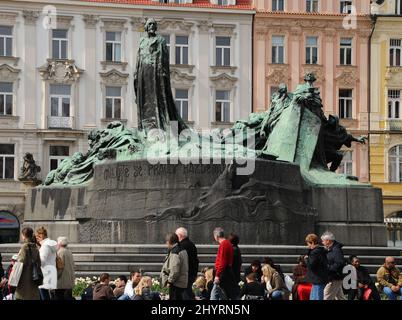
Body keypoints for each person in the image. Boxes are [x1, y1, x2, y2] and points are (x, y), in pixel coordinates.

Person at [134, 18, 187, 133]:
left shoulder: (161, 40)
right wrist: (136, 73)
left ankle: (163, 126)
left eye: (154, 24)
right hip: (143, 72)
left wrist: (163, 73)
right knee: (145, 100)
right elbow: (139, 58)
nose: (152, 26)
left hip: (156, 73)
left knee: (159, 99)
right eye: (150, 24)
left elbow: (164, 58)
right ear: (146, 27)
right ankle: (145, 126)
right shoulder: (142, 41)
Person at [211, 227, 238, 300]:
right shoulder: (227, 243)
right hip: (225, 272)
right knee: (219, 293)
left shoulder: (223, 245)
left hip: (222, 273)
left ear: (216, 236)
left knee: (215, 293)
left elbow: (222, 262)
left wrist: (217, 275)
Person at [160, 233, 189, 300]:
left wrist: (170, 281)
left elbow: (174, 270)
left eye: (166, 242)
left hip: (176, 283)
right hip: (181, 282)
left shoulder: (175, 252)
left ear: (169, 242)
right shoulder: (182, 249)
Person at [15, 227, 41, 300]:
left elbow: (20, 263)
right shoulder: (35, 247)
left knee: (22, 297)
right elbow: (39, 263)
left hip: (24, 280)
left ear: (23, 235)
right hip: (34, 278)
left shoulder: (24, 247)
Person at [321, 231, 346, 300]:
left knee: (326, 297)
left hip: (334, 277)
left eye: (323, 241)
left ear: (328, 241)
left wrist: (328, 268)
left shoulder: (336, 250)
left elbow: (340, 263)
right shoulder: (332, 249)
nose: (322, 243)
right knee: (340, 298)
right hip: (335, 277)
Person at [176, 227, 199, 300]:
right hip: (192, 274)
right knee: (187, 292)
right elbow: (196, 261)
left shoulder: (181, 246)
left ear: (180, 235)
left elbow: (179, 262)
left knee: (185, 294)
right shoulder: (192, 245)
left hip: (185, 275)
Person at [35, 226, 58, 300]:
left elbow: (42, 261)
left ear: (40, 236)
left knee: (44, 296)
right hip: (50, 272)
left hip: (44, 274)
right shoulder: (50, 244)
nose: (36, 239)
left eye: (37, 237)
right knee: (47, 295)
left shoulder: (45, 246)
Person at [305, 233, 328, 300]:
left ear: (312, 242)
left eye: (308, 244)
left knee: (316, 298)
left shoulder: (315, 252)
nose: (308, 246)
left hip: (317, 279)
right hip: (319, 279)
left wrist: (306, 259)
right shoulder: (321, 250)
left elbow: (311, 265)